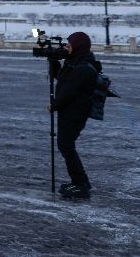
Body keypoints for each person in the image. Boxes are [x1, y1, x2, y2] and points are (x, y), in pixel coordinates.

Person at [48, 31, 99, 199]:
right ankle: (82, 181)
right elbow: (62, 78)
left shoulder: (83, 68)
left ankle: (80, 184)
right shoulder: (75, 61)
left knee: (66, 146)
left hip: (75, 113)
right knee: (66, 145)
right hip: (70, 111)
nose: (67, 47)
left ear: (78, 46)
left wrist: (54, 105)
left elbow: (70, 91)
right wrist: (54, 61)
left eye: (70, 44)